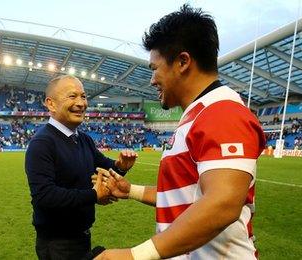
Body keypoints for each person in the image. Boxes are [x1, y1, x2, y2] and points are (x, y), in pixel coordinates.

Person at [96, 4, 265, 260]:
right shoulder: (198, 115)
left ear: (183, 62)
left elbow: (223, 203)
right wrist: (130, 190)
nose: (152, 80)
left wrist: (135, 256)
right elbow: (186, 195)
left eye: (154, 68)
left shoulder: (222, 112)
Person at [24, 75, 137, 260]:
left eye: (83, 97)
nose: (81, 103)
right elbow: (45, 195)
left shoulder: (84, 139)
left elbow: (105, 165)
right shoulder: (42, 143)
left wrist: (120, 166)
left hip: (81, 237)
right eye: (72, 96)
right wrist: (93, 195)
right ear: (51, 104)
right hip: (57, 244)